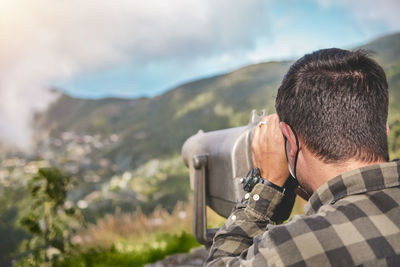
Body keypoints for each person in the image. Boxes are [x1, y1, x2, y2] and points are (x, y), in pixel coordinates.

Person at [206, 48, 400, 266]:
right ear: (383, 129)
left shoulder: (293, 247)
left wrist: (266, 187)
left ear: (291, 141)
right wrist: (324, 197)